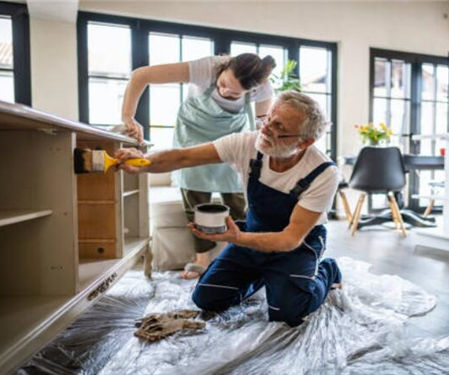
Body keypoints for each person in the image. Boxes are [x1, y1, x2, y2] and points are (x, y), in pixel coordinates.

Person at [116, 91, 342, 326]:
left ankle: (328, 270)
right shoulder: (248, 143)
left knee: (288, 314)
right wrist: (143, 162)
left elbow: (290, 239)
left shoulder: (323, 172)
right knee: (207, 299)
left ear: (304, 142)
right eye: (267, 119)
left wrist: (238, 238)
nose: (265, 129)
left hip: (297, 245)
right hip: (253, 234)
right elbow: (183, 158)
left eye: (278, 127)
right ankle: (268, 276)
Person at [121, 53, 276, 279]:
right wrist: (128, 116)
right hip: (193, 135)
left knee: (239, 201)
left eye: (234, 94)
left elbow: (263, 125)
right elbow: (141, 75)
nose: (225, 92)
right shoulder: (206, 69)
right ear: (223, 69)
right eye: (223, 84)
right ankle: (202, 257)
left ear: (251, 91)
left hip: (232, 139)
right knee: (195, 199)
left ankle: (244, 257)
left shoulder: (263, 89)